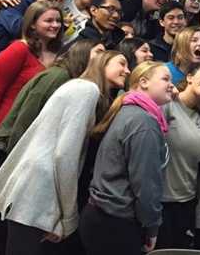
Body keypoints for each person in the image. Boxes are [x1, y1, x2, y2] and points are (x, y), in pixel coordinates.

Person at [0, 50, 131, 255]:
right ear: (102, 63)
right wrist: (69, 216)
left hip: (34, 187)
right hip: (39, 190)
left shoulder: (78, 87)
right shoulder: (87, 90)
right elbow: (65, 155)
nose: (127, 70)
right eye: (122, 63)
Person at [79, 62, 174, 255]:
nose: (172, 85)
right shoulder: (143, 121)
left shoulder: (129, 112)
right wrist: (152, 226)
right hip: (116, 224)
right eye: (165, 79)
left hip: (102, 217)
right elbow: (145, 183)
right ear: (144, 82)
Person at [0, 2, 64, 157]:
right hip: (3, 132)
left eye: (58, 21)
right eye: (49, 21)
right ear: (32, 24)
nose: (55, 25)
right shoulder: (18, 50)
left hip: (33, 133)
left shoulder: (59, 55)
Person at [158, 64, 200, 249]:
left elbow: (198, 170)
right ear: (190, 77)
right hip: (160, 203)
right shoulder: (167, 104)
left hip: (187, 205)